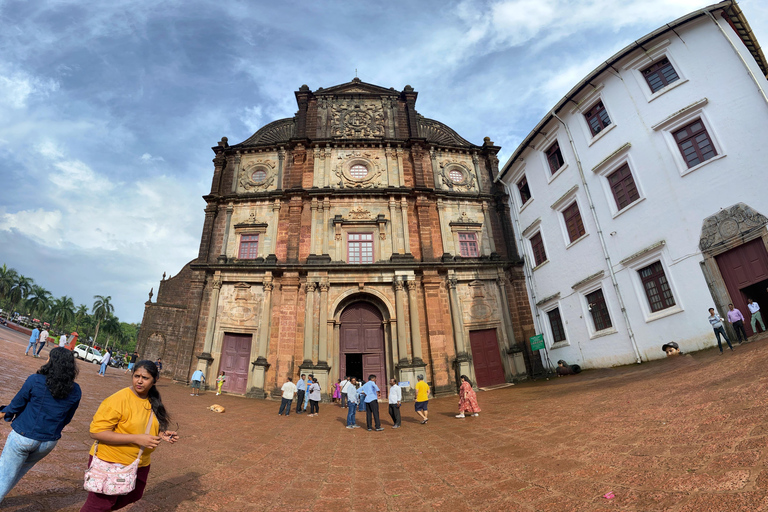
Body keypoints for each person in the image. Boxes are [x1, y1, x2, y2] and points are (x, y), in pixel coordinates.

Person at [80, 360, 178, 511]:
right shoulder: (118, 399)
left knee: (134, 494)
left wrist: (161, 434)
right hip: (111, 460)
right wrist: (136, 438)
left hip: (139, 462)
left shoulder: (152, 399)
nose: (139, 381)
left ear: (154, 380)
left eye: (145, 378)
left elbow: (142, 424)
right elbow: (96, 432)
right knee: (99, 505)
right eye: (136, 376)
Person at [0, 347, 81, 503]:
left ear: (52, 362)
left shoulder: (35, 380)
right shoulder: (76, 390)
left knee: (5, 473)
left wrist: (5, 413)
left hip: (23, 436)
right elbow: (67, 418)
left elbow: (16, 404)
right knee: (15, 474)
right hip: (48, 442)